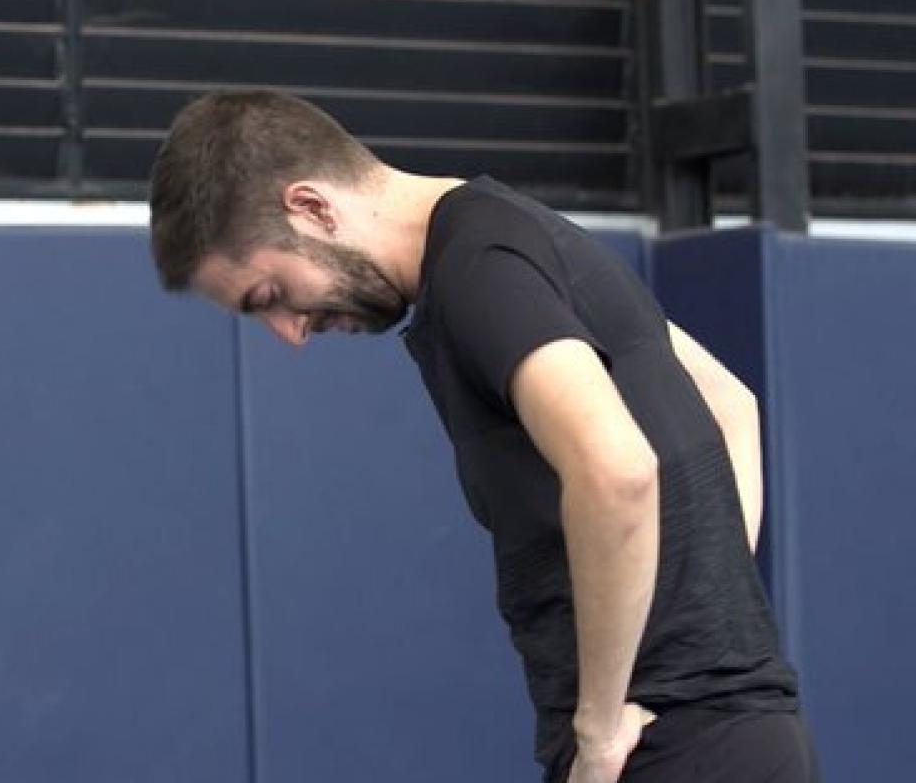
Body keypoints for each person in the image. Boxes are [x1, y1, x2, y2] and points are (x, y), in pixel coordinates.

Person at [146, 90, 815, 782]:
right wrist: (700, 622)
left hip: (667, 747)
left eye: (270, 296)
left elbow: (617, 470)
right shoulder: (509, 230)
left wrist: (602, 723)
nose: (288, 332)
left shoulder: (476, 270)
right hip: (728, 734)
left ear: (313, 207)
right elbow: (728, 403)